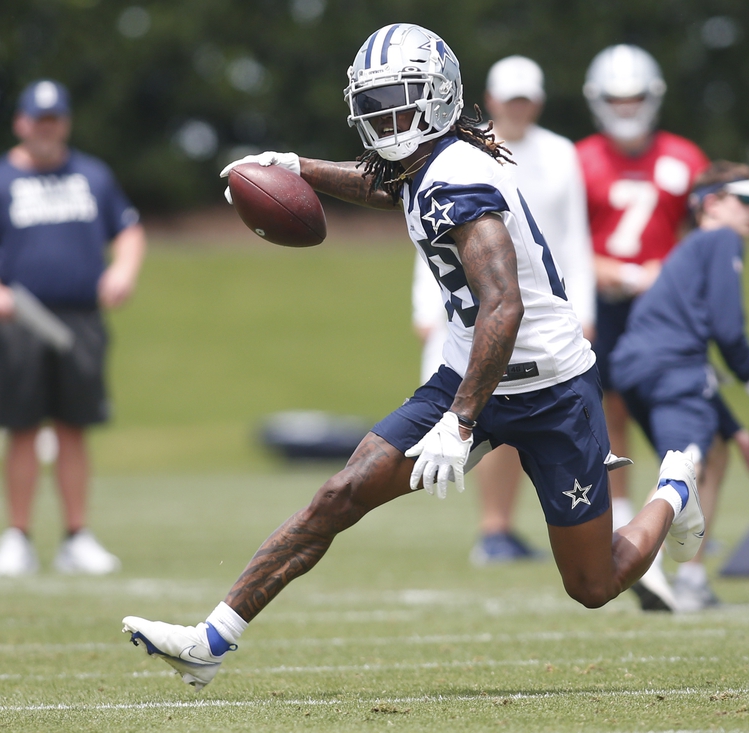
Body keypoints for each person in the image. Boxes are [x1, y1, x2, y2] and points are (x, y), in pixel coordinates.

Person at [122, 23, 705, 690]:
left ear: (439, 98)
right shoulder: (427, 164)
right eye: (375, 103)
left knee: (593, 583)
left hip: (550, 386)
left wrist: (460, 424)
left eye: (401, 99)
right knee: (341, 493)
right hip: (468, 371)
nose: (386, 117)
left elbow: (504, 306)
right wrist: (297, 168)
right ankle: (212, 640)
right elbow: (386, 188)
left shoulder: (457, 177)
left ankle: (674, 487)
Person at [411, 55, 595, 565]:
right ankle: (493, 528)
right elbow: (430, 228)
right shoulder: (460, 149)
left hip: (540, 311)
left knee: (525, 420)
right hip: (474, 307)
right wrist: (426, 301)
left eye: (526, 98)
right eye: (509, 99)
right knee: (483, 416)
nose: (517, 108)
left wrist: (584, 308)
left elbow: (574, 240)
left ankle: (512, 528)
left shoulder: (561, 153)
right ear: (488, 100)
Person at [610, 161, 749, 611]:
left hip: (640, 366)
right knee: (686, 464)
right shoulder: (721, 239)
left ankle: (692, 578)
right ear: (711, 204)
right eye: (747, 199)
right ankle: (643, 558)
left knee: (713, 450)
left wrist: (737, 430)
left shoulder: (690, 249)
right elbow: (728, 330)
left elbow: (693, 357)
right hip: (671, 366)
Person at [576, 44, 710, 610]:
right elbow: (555, 240)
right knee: (607, 422)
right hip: (598, 306)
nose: (626, 108)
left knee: (691, 424)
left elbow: (710, 236)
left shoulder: (684, 157)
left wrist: (669, 270)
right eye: (616, 98)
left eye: (634, 97)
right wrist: (600, 269)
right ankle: (625, 534)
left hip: (665, 309)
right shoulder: (577, 159)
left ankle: (689, 555)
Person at [0, 80, 145, 577]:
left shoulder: (91, 175)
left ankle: (75, 536)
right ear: (21, 122)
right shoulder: (2, 178)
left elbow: (127, 229)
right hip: (20, 320)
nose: (46, 129)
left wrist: (122, 271)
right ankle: (16, 537)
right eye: (38, 120)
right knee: (21, 428)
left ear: (64, 122)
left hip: (81, 318)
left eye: (54, 120)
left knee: (74, 427)